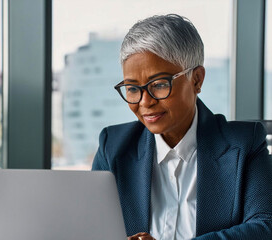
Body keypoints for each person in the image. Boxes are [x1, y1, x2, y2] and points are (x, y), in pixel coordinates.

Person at [92, 14, 272, 239]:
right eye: (132, 88)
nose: (145, 102)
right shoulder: (113, 146)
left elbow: (264, 227)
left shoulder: (245, 143)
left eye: (158, 85)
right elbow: (92, 227)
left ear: (196, 79)